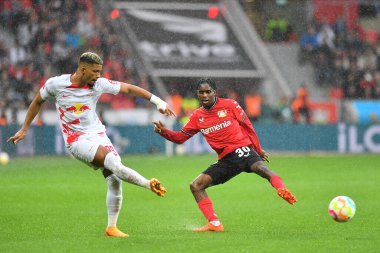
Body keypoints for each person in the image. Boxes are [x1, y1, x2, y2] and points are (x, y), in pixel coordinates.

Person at [8, 52, 176, 237]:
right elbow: (37, 101)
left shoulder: (99, 84)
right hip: (76, 140)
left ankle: (112, 227)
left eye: (100, 71)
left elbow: (128, 89)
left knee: (114, 177)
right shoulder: (56, 84)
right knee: (112, 162)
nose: (98, 75)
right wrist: (24, 129)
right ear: (83, 69)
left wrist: (158, 101)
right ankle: (148, 183)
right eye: (95, 71)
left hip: (98, 134)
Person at [153, 78, 297, 232]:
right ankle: (215, 224)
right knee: (196, 186)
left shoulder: (230, 105)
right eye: (201, 92)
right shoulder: (197, 116)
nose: (205, 95)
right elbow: (180, 138)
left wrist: (258, 149)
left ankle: (281, 189)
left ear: (214, 92)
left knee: (262, 168)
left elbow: (247, 126)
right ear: (197, 94)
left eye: (208, 91)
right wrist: (164, 132)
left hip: (242, 149)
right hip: (227, 160)